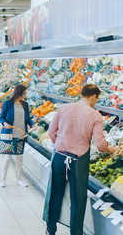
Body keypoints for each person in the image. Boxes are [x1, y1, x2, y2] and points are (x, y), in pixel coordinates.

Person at [43, 84, 114, 235]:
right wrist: (110, 149)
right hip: (79, 161)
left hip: (60, 157)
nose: (96, 102)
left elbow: (51, 132)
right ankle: (76, 233)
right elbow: (100, 145)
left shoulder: (63, 108)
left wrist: (61, 144)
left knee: (55, 193)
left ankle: (50, 230)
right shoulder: (95, 115)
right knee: (77, 199)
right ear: (93, 96)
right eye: (97, 99)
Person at [0, 84, 34, 188]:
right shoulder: (8, 103)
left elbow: (28, 119)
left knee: (19, 158)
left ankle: (18, 179)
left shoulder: (25, 104)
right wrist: (4, 123)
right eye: (24, 93)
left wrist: (33, 124)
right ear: (19, 93)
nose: (25, 95)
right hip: (8, 135)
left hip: (20, 135)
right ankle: (2, 179)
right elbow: (1, 117)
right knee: (7, 158)